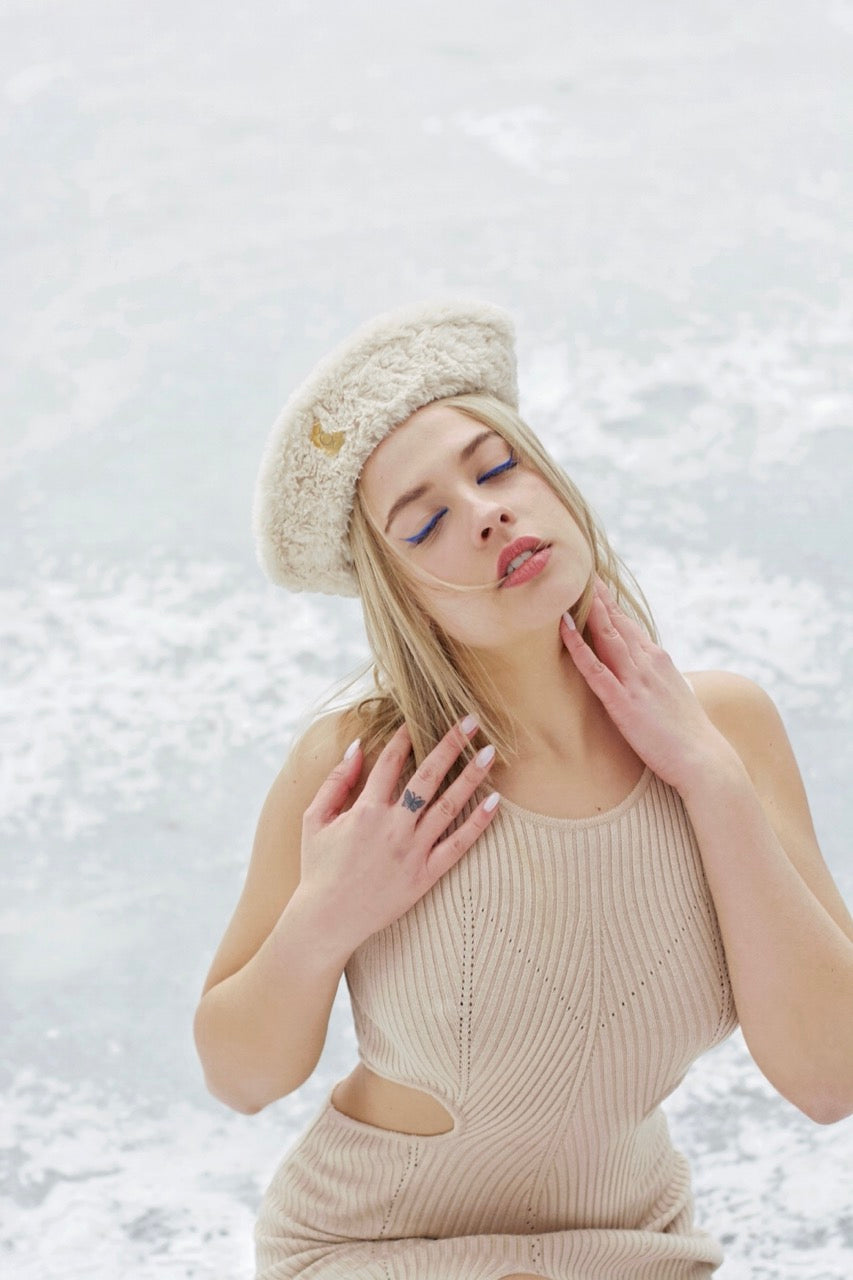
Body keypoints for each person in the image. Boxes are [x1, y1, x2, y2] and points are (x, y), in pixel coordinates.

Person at [193, 299, 853, 1280]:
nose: (486, 512)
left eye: (497, 468)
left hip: (631, 1246)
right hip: (374, 1246)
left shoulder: (729, 729)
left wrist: (711, 782)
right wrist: (324, 916)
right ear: (402, 595)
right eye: (425, 524)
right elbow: (240, 1076)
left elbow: (826, 1076)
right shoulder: (366, 769)